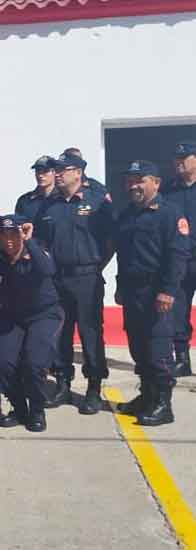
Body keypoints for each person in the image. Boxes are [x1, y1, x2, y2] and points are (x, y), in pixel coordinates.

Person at [34, 155, 116, 413]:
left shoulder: (97, 202)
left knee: (91, 333)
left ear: (78, 172)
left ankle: (93, 387)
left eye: (62, 169)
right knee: (60, 333)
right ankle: (63, 383)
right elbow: (41, 241)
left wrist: (94, 266)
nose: (57, 174)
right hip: (58, 277)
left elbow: (110, 241)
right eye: (55, 170)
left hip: (87, 277)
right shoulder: (50, 205)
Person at [114, 161, 189, 426]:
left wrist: (168, 291)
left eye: (140, 179)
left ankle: (163, 405)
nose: (133, 185)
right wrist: (120, 286)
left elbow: (178, 255)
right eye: (130, 180)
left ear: (155, 183)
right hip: (133, 291)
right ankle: (146, 397)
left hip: (158, 293)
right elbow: (124, 256)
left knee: (158, 350)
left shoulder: (170, 213)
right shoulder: (127, 215)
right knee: (139, 348)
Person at [0, 216, 63, 432]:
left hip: (44, 315)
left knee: (34, 364)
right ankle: (19, 408)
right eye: (4, 235)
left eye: (14, 234)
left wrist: (29, 240)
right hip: (13, 317)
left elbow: (48, 269)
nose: (9, 240)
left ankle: (37, 410)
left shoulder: (37, 252)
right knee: (3, 363)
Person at [164, 141, 196, 377]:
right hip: (181, 261)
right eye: (177, 158)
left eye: (184, 157)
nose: (179, 162)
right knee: (178, 310)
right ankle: (182, 359)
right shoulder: (168, 191)